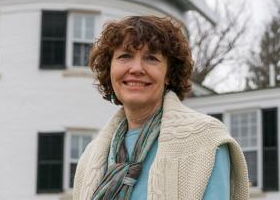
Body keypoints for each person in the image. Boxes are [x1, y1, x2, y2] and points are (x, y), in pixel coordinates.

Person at [73, 15, 249, 200]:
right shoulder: (91, 157)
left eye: (151, 58)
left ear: (168, 74)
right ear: (110, 70)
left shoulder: (206, 141)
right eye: (125, 56)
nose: (136, 68)